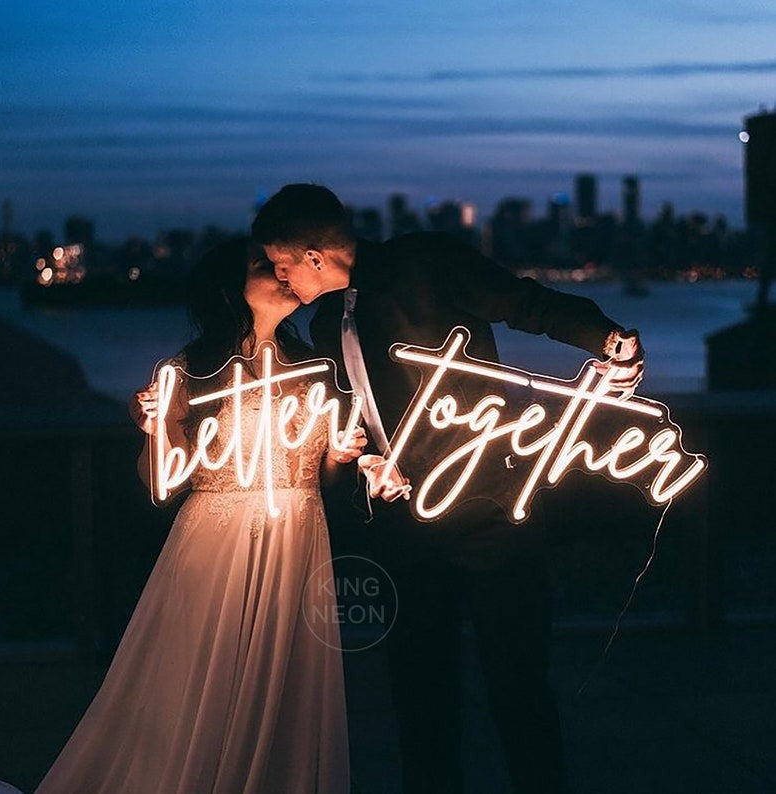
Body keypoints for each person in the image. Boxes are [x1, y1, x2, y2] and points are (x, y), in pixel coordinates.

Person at [252, 185, 644, 794]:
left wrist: (607, 338)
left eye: (282, 267)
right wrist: (361, 463)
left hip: (491, 512)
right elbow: (349, 419)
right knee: (421, 701)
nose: (283, 281)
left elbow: (526, 305)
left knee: (518, 690)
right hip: (406, 531)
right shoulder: (329, 321)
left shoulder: (425, 260)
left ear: (313, 255)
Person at [24, 236, 363, 793]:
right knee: (206, 679)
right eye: (264, 266)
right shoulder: (187, 374)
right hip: (217, 540)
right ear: (231, 290)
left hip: (300, 533)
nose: (281, 274)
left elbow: (321, 477)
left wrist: (337, 455)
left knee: (286, 687)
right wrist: (157, 429)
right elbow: (160, 478)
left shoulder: (316, 371)